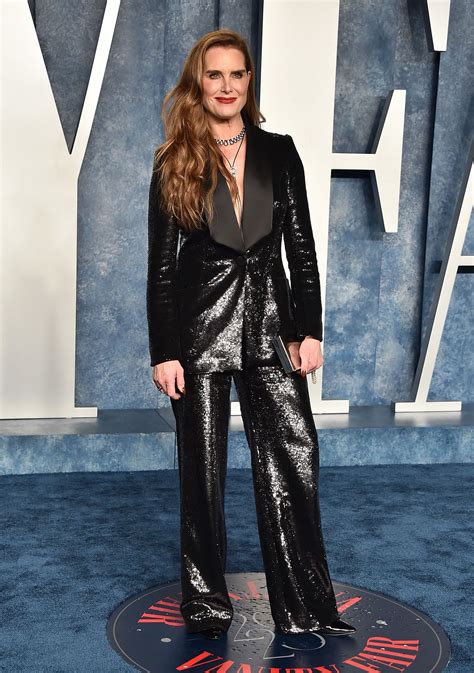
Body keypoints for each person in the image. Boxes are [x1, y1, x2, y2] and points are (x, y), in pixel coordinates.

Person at [146, 28, 355, 641]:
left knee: (294, 459)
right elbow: (160, 271)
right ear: (199, 82)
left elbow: (303, 251)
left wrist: (309, 329)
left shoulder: (278, 151)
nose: (227, 86)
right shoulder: (173, 160)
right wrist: (165, 351)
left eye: (237, 75)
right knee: (202, 476)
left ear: (248, 83)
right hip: (198, 332)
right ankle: (207, 607)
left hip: (271, 327)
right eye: (215, 75)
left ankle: (305, 604)